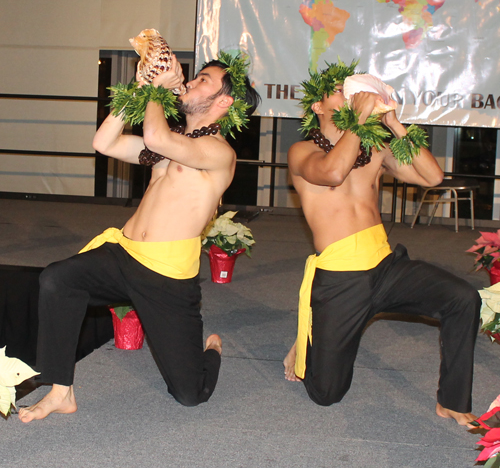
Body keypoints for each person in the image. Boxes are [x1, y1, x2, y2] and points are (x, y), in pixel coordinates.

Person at [19, 51, 261, 423]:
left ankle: (210, 352)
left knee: (189, 395)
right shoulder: (170, 144)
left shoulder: (218, 153)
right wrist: (138, 87)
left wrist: (157, 91)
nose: (193, 81)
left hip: (166, 276)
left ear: (224, 101)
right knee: (57, 278)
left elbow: (155, 135)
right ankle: (61, 391)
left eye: (204, 81)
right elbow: (105, 142)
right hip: (123, 254)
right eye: (194, 76)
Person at [283, 60, 481, 427]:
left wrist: (392, 123)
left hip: (386, 265)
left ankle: (452, 401)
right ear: (317, 106)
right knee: (326, 394)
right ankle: (308, 339)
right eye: (338, 92)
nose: (349, 96)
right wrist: (359, 120)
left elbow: (432, 177)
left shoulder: (374, 150)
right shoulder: (302, 152)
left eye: (351, 91)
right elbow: (333, 172)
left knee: (463, 298)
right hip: (340, 277)